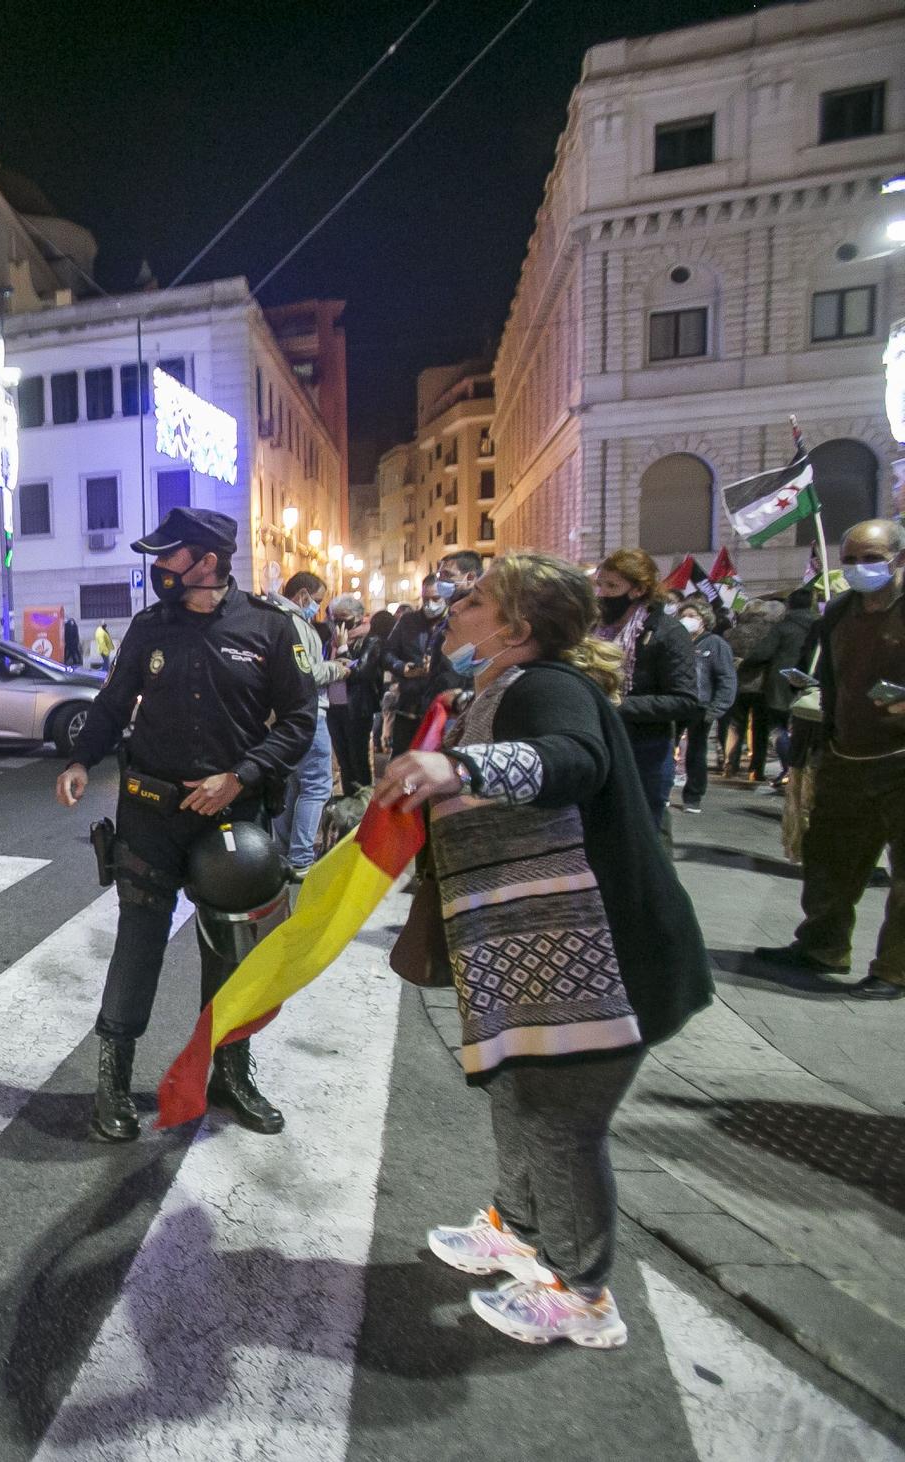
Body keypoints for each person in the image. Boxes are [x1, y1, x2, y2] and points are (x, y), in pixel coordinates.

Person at [375, 551, 712, 1349]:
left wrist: (458, 763)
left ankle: (584, 1292)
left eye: (478, 598)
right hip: (542, 958)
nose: (457, 604)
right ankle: (519, 1226)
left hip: (607, 964)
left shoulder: (551, 688)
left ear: (516, 629)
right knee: (520, 1096)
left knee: (562, 1123)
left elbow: (576, 762)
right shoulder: (493, 691)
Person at [55, 506, 315, 1142]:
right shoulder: (149, 627)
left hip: (232, 817)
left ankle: (230, 1072)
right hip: (150, 812)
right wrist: (81, 760)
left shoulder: (270, 627)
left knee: (232, 952)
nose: (157, 568)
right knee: (139, 939)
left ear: (206, 561)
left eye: (168, 557)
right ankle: (113, 1082)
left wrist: (241, 775)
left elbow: (301, 722)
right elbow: (114, 706)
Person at [755, 520, 905, 1001]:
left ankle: (894, 969)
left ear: (899, 558)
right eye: (853, 558)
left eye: (873, 557)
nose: (861, 567)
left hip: (901, 757)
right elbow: (831, 676)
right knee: (829, 857)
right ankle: (822, 946)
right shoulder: (840, 610)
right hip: (847, 751)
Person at [592, 548, 699, 823]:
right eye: (599, 584)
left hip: (645, 752)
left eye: (612, 586)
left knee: (643, 833)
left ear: (638, 589)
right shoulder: (593, 627)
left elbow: (684, 699)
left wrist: (618, 705)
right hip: (597, 743)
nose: (602, 593)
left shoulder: (667, 632)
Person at [266, 572, 344, 877]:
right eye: (318, 601)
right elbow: (306, 673)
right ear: (302, 595)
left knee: (291, 786)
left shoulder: (274, 618)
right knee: (315, 786)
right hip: (309, 714)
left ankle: (284, 854)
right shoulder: (295, 623)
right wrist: (337, 669)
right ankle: (300, 857)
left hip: (284, 716)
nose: (319, 608)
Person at [744, 587, 819, 786]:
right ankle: (802, 770)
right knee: (804, 729)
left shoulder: (783, 627)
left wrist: (744, 665)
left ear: (789, 605)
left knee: (778, 727)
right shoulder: (820, 625)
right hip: (813, 683)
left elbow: (762, 653)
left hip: (781, 684)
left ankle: (789, 768)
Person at [677, 595, 736, 815]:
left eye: (692, 616)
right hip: (676, 703)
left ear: (704, 619)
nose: (687, 619)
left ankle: (693, 796)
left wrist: (717, 708)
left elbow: (726, 678)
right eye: (683, 616)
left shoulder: (715, 644)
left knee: (696, 752)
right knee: (666, 749)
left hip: (701, 705)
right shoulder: (678, 640)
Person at [384, 574, 452, 754]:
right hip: (409, 705)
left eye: (436, 599)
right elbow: (387, 653)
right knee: (402, 758)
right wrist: (402, 668)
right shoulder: (408, 621)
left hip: (441, 708)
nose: (430, 604)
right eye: (425, 599)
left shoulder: (454, 621)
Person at [723, 598, 784, 778]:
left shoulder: (731, 634)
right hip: (762, 686)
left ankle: (730, 765)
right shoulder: (772, 632)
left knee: (734, 726)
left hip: (738, 685)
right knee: (760, 730)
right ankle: (756, 769)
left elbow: (727, 660)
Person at [325, 594, 372, 791]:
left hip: (356, 709)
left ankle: (363, 805)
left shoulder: (370, 641)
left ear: (358, 617)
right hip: (334, 708)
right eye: (335, 618)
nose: (339, 624)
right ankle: (347, 802)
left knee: (357, 760)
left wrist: (343, 647)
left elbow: (359, 672)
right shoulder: (330, 643)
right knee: (344, 762)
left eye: (344, 618)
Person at [349, 607, 394, 787]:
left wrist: (345, 654)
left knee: (359, 755)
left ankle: (363, 795)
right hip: (368, 701)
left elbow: (361, 671)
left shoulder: (373, 641)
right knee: (357, 755)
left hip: (363, 703)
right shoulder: (369, 641)